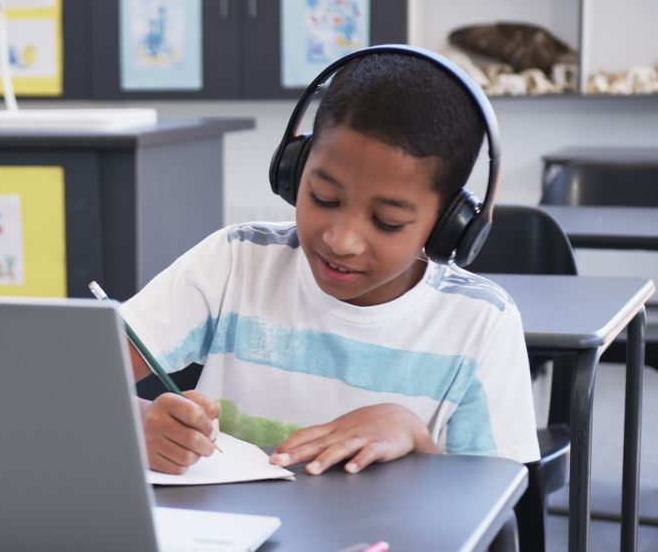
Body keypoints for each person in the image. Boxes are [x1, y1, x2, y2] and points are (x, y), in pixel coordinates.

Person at [120, 47, 540, 476]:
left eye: (387, 221)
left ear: (449, 227)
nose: (341, 240)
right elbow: (75, 374)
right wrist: (137, 424)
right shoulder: (235, 262)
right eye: (324, 197)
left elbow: (497, 517)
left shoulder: (481, 324)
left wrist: (415, 438)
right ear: (293, 169)